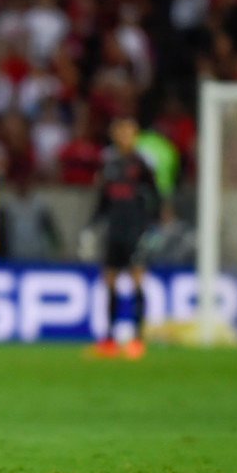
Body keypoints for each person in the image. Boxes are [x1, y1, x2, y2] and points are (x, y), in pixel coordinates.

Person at [89, 116, 160, 359]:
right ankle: (108, 339)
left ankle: (138, 340)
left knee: (137, 278)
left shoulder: (142, 164)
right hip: (114, 231)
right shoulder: (109, 164)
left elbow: (156, 198)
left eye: (128, 131)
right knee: (109, 280)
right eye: (119, 131)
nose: (124, 135)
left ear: (135, 133)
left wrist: (151, 227)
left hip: (135, 231)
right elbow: (103, 200)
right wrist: (92, 226)